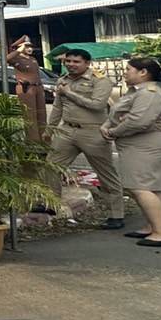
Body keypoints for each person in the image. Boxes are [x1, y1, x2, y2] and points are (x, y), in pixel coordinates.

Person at [48, 48, 125, 229]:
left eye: (76, 62)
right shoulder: (63, 81)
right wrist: (50, 129)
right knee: (51, 166)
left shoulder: (100, 80)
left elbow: (97, 105)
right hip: (67, 130)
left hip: (92, 132)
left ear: (87, 63)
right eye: (68, 61)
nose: (71, 65)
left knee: (105, 173)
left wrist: (69, 93)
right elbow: (58, 107)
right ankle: (50, 204)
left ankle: (116, 214)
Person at [103, 56, 161, 247]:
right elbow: (120, 114)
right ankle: (152, 227)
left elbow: (138, 121)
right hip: (140, 145)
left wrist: (113, 132)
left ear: (143, 72)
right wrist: (108, 125)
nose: (125, 73)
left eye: (128, 69)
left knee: (140, 187)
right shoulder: (137, 92)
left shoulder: (149, 94)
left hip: (144, 146)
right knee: (151, 188)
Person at [11, 57, 49, 145]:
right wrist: (19, 51)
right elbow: (7, 58)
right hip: (26, 88)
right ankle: (33, 142)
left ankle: (44, 139)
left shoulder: (33, 59)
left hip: (38, 86)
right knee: (30, 115)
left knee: (42, 114)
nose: (30, 50)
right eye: (25, 48)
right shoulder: (17, 59)